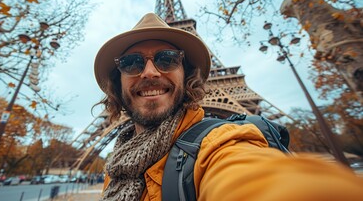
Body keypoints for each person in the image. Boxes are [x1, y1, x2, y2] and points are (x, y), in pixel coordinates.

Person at [94, 13, 363, 201]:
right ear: (117, 84)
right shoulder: (117, 169)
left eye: (167, 59)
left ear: (187, 76)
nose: (150, 72)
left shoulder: (219, 145)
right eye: (131, 63)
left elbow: (254, 178)